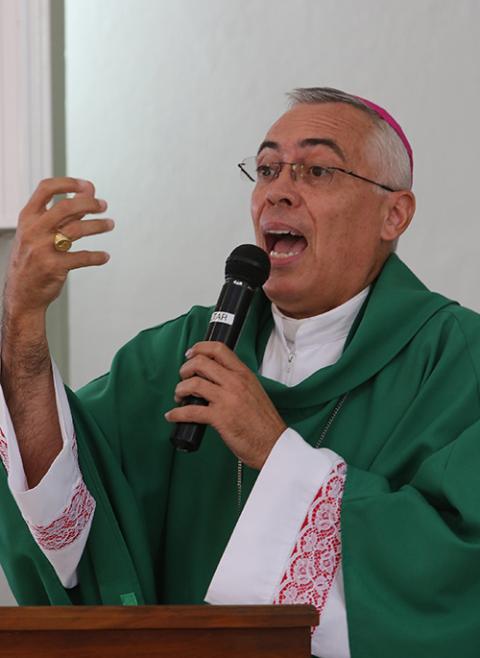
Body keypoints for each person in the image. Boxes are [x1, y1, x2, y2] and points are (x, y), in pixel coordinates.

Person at [1, 87, 480, 658]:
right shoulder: (181, 351)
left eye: (317, 170)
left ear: (393, 213)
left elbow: (458, 568)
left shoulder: (458, 359)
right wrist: (22, 321)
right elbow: (66, 503)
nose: (278, 190)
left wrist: (276, 451)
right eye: (267, 168)